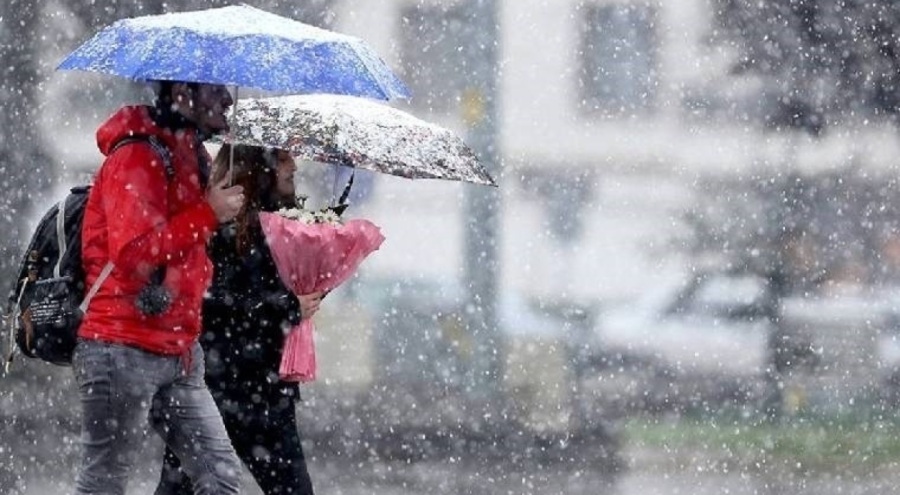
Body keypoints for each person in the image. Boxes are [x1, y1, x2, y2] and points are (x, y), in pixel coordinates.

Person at [74, 81, 245, 494]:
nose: (228, 99)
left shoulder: (193, 154)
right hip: (121, 345)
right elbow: (134, 252)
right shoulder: (137, 154)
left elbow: (189, 249)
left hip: (179, 350)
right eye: (214, 89)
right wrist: (207, 213)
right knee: (105, 482)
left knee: (220, 477)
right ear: (182, 92)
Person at [155, 144, 323, 495]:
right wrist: (286, 307)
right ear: (257, 166)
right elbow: (214, 300)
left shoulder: (287, 223)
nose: (293, 164)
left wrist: (312, 288)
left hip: (265, 389)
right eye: (282, 157)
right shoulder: (221, 223)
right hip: (217, 386)